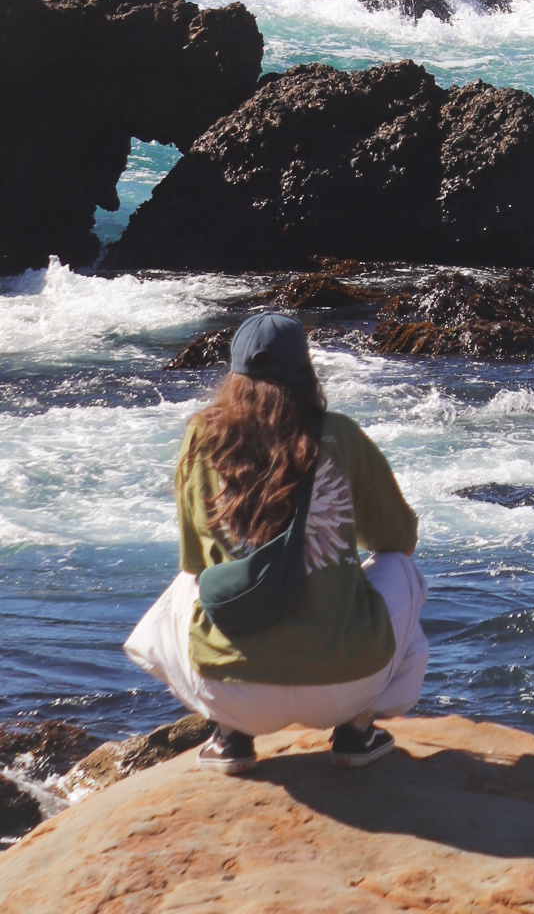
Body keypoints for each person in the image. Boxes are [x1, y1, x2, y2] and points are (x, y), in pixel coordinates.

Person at [125, 312, 428, 774]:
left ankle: (230, 736)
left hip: (232, 691)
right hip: (343, 686)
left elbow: (192, 560)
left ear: (235, 375)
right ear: (306, 370)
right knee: (401, 569)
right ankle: (358, 729)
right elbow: (397, 539)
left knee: (191, 581)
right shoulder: (340, 435)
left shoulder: (202, 436)